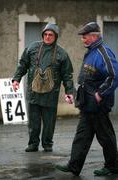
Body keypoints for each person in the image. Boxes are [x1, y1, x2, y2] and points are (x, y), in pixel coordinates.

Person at [56, 22, 118, 176]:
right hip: (87, 104)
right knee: (82, 136)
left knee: (105, 137)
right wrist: (74, 94)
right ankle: (74, 166)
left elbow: (114, 75)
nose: (82, 39)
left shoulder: (104, 52)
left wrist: (101, 93)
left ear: (94, 36)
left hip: (98, 105)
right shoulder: (91, 52)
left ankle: (113, 167)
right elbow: (85, 79)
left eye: (84, 37)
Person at [12, 23, 74, 152]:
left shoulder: (62, 53)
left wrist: (69, 91)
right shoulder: (32, 48)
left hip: (51, 94)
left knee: (49, 122)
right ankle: (33, 144)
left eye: (50, 35)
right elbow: (22, 64)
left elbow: (67, 75)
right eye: (45, 34)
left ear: (55, 36)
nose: (47, 37)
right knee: (33, 121)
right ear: (42, 35)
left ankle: (47, 144)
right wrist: (16, 79)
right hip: (33, 92)